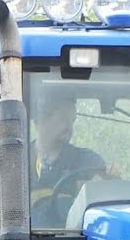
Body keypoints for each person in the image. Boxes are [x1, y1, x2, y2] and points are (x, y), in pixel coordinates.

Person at [29, 93, 106, 225]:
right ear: (40, 120)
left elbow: (104, 210)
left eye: (72, 121)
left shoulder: (89, 162)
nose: (69, 128)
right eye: (63, 120)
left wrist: (104, 183)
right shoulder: (17, 162)